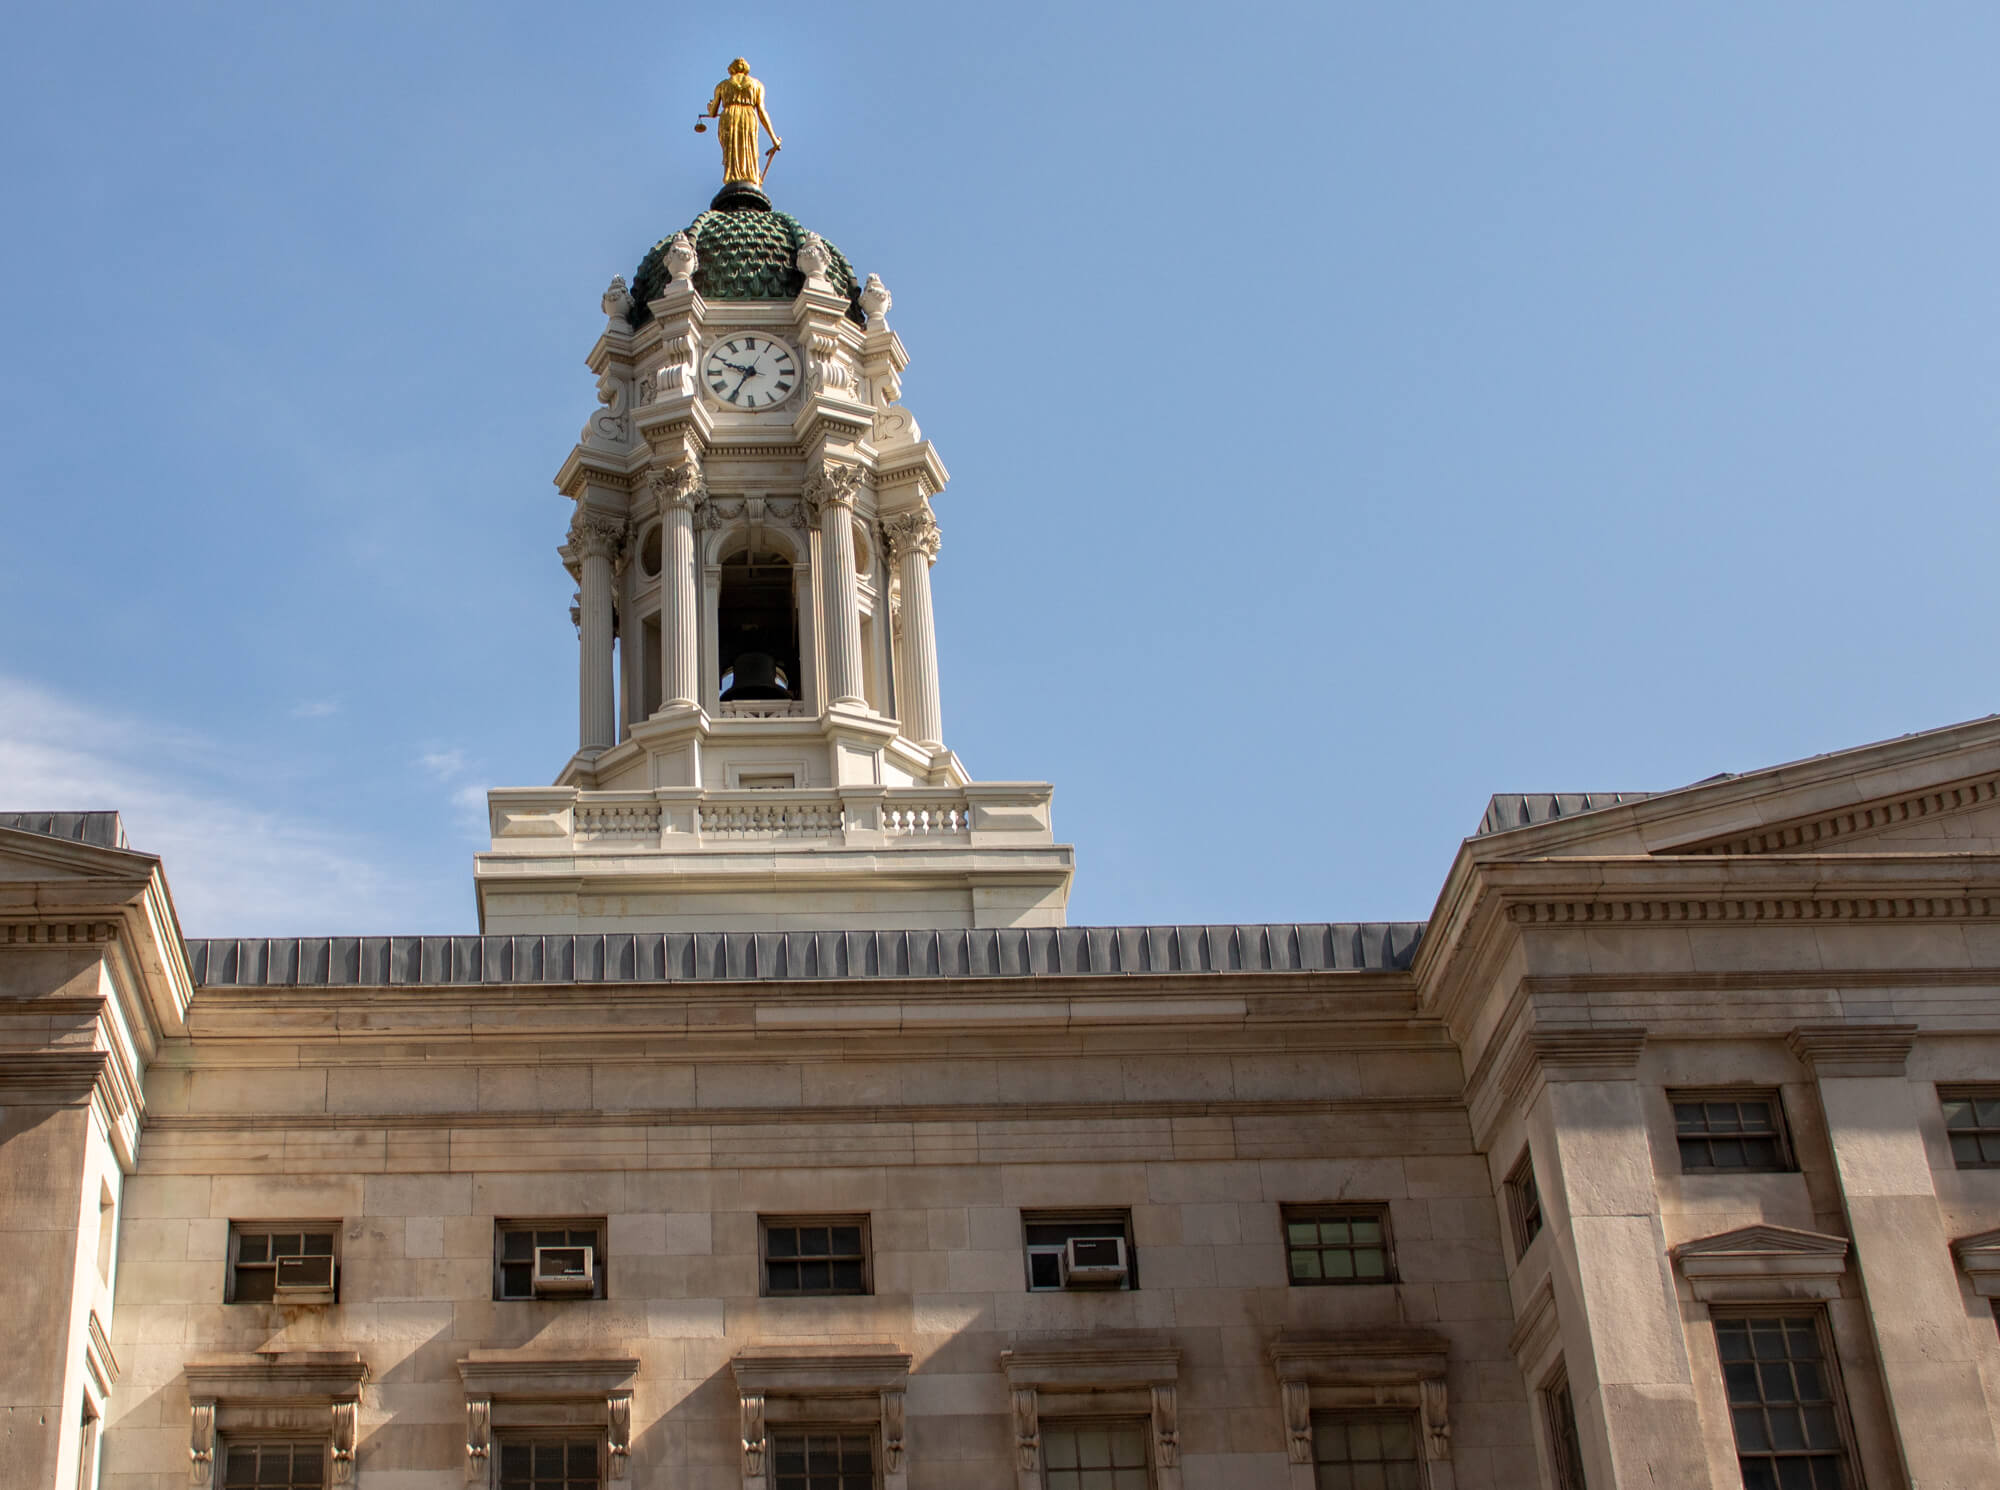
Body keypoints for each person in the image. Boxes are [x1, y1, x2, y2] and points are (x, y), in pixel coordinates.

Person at [705, 59, 780, 186]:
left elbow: (712, 113)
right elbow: (761, 111)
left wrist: (710, 107)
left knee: (732, 149)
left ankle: (732, 176)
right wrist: (773, 138)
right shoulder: (757, 85)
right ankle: (750, 176)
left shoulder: (722, 85)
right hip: (748, 115)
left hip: (729, 116)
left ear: (731, 69)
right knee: (748, 146)